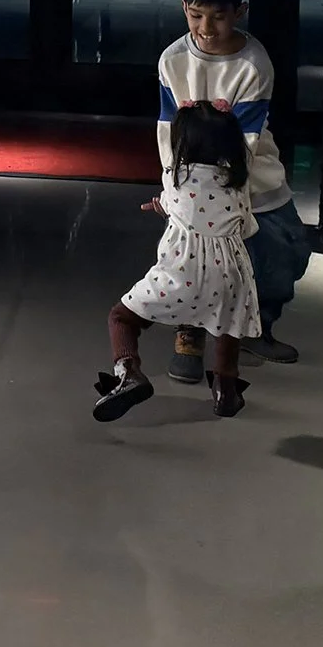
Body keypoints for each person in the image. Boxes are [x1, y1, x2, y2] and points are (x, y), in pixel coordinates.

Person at [154, 0, 310, 380]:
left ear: (239, 11)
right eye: (195, 15)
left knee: (285, 256)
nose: (205, 28)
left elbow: (247, 139)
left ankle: (255, 328)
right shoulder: (172, 60)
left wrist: (228, 196)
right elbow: (168, 129)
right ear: (184, 8)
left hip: (254, 183)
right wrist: (175, 188)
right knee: (191, 263)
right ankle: (189, 336)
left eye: (218, 16)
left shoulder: (253, 64)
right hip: (192, 186)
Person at [93, 103, 260, 420]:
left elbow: (176, 209)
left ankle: (128, 372)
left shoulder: (174, 177)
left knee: (121, 317)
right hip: (230, 276)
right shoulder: (238, 183)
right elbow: (246, 227)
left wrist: (164, 210)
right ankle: (226, 392)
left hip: (181, 273)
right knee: (228, 325)